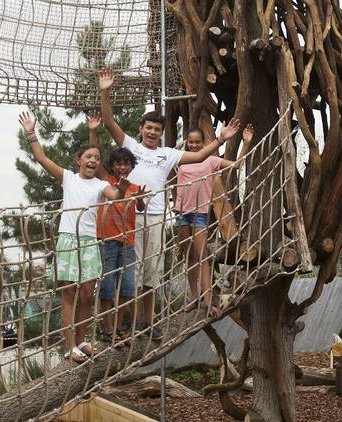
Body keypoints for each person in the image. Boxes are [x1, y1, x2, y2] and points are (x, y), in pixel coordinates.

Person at [98, 67, 241, 340]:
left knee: (152, 272)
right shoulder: (131, 146)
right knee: (133, 272)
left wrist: (220, 140)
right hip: (130, 218)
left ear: (162, 134)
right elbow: (108, 122)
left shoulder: (167, 154)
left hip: (154, 217)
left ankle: (148, 322)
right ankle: (130, 323)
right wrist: (105, 91)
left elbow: (199, 158)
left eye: (157, 130)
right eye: (149, 128)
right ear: (141, 129)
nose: (152, 133)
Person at [18, 111, 130, 363]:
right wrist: (30, 132)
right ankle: (69, 347)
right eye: (88, 156)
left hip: (89, 242)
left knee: (88, 295)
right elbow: (41, 158)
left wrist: (122, 187)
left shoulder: (100, 185)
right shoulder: (68, 178)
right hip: (69, 240)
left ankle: (81, 341)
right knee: (69, 294)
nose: (93, 160)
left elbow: (117, 197)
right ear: (78, 160)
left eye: (97, 158)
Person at [173, 126, 253, 317]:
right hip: (182, 213)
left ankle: (209, 302)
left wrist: (246, 142)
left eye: (197, 142)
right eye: (190, 142)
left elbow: (237, 165)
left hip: (199, 214)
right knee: (188, 256)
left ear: (204, 144)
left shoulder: (210, 160)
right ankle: (195, 297)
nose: (193, 145)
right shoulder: (181, 160)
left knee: (203, 256)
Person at [88, 113, 149, 344]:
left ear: (132, 167)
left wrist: (141, 199)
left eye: (126, 163)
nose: (122, 166)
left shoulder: (133, 187)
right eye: (118, 163)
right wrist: (94, 130)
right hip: (106, 239)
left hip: (128, 241)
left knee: (127, 287)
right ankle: (107, 329)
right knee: (106, 285)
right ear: (112, 166)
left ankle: (120, 326)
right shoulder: (106, 181)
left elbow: (140, 209)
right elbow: (94, 156)